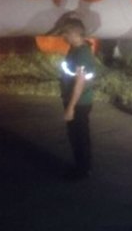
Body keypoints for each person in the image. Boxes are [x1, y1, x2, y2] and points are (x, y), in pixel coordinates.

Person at [54, 19, 96, 180]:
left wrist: (71, 107)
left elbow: (80, 82)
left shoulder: (82, 54)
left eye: (65, 33)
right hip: (74, 99)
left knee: (79, 136)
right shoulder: (75, 48)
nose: (63, 36)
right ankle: (81, 166)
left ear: (74, 34)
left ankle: (83, 170)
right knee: (75, 135)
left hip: (79, 102)